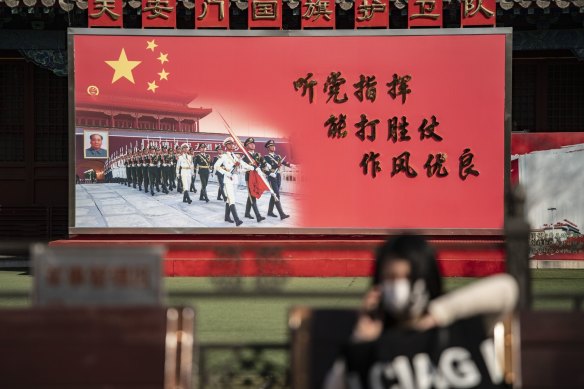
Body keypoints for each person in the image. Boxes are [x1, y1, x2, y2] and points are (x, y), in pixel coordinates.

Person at [324, 234, 518, 389]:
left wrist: (437, 313)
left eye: (408, 276)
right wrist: (361, 341)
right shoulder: (373, 342)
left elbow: (506, 289)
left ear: (426, 276)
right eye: (390, 277)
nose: (398, 286)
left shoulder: (458, 326)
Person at [213, 137, 257, 226]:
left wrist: (252, 167)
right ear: (226, 146)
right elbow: (216, 166)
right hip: (228, 180)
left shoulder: (236, 156)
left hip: (235, 180)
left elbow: (243, 164)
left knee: (230, 199)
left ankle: (226, 216)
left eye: (232, 144)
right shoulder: (224, 156)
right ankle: (237, 220)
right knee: (232, 199)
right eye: (229, 144)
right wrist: (226, 173)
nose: (231, 145)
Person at [263, 140, 292, 220]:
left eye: (274, 145)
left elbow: (284, 162)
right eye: (271, 146)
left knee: (274, 194)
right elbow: (264, 168)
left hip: (278, 176)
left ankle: (270, 211)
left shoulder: (278, 156)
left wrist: (291, 165)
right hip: (272, 177)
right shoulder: (266, 157)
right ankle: (282, 214)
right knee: (276, 195)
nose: (273, 147)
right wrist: (270, 173)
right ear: (268, 148)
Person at [242, 137, 266, 223]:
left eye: (253, 143)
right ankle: (258, 216)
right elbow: (243, 168)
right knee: (253, 195)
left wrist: (262, 168)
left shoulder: (258, 155)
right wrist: (252, 168)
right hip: (249, 178)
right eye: (250, 144)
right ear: (246, 146)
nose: (253, 145)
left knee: (251, 195)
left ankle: (247, 213)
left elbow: (264, 164)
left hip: (256, 177)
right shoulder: (245, 156)